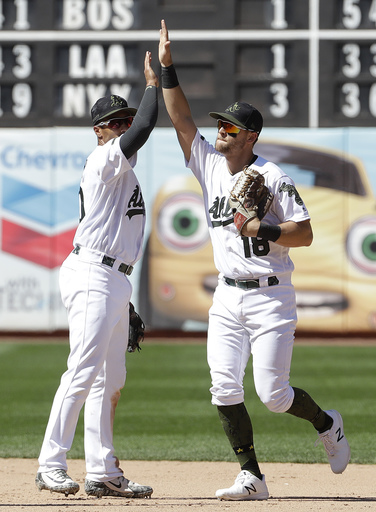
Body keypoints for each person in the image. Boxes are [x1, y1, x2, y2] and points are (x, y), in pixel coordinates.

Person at [158, 20, 350, 501]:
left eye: (230, 127)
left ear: (250, 137)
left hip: (270, 296)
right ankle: (253, 477)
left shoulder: (272, 175)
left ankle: (327, 423)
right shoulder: (208, 164)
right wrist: (166, 70)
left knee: (273, 396)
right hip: (227, 295)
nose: (220, 131)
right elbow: (182, 121)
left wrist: (260, 227)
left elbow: (304, 234)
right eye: (220, 125)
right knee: (223, 388)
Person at [35, 51, 159, 499]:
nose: (124, 126)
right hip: (92, 271)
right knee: (83, 371)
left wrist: (123, 296)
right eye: (115, 122)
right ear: (99, 131)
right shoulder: (105, 159)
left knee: (110, 380)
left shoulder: (122, 173)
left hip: (111, 277)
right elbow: (146, 129)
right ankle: (50, 463)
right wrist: (154, 82)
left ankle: (103, 470)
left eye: (124, 119)